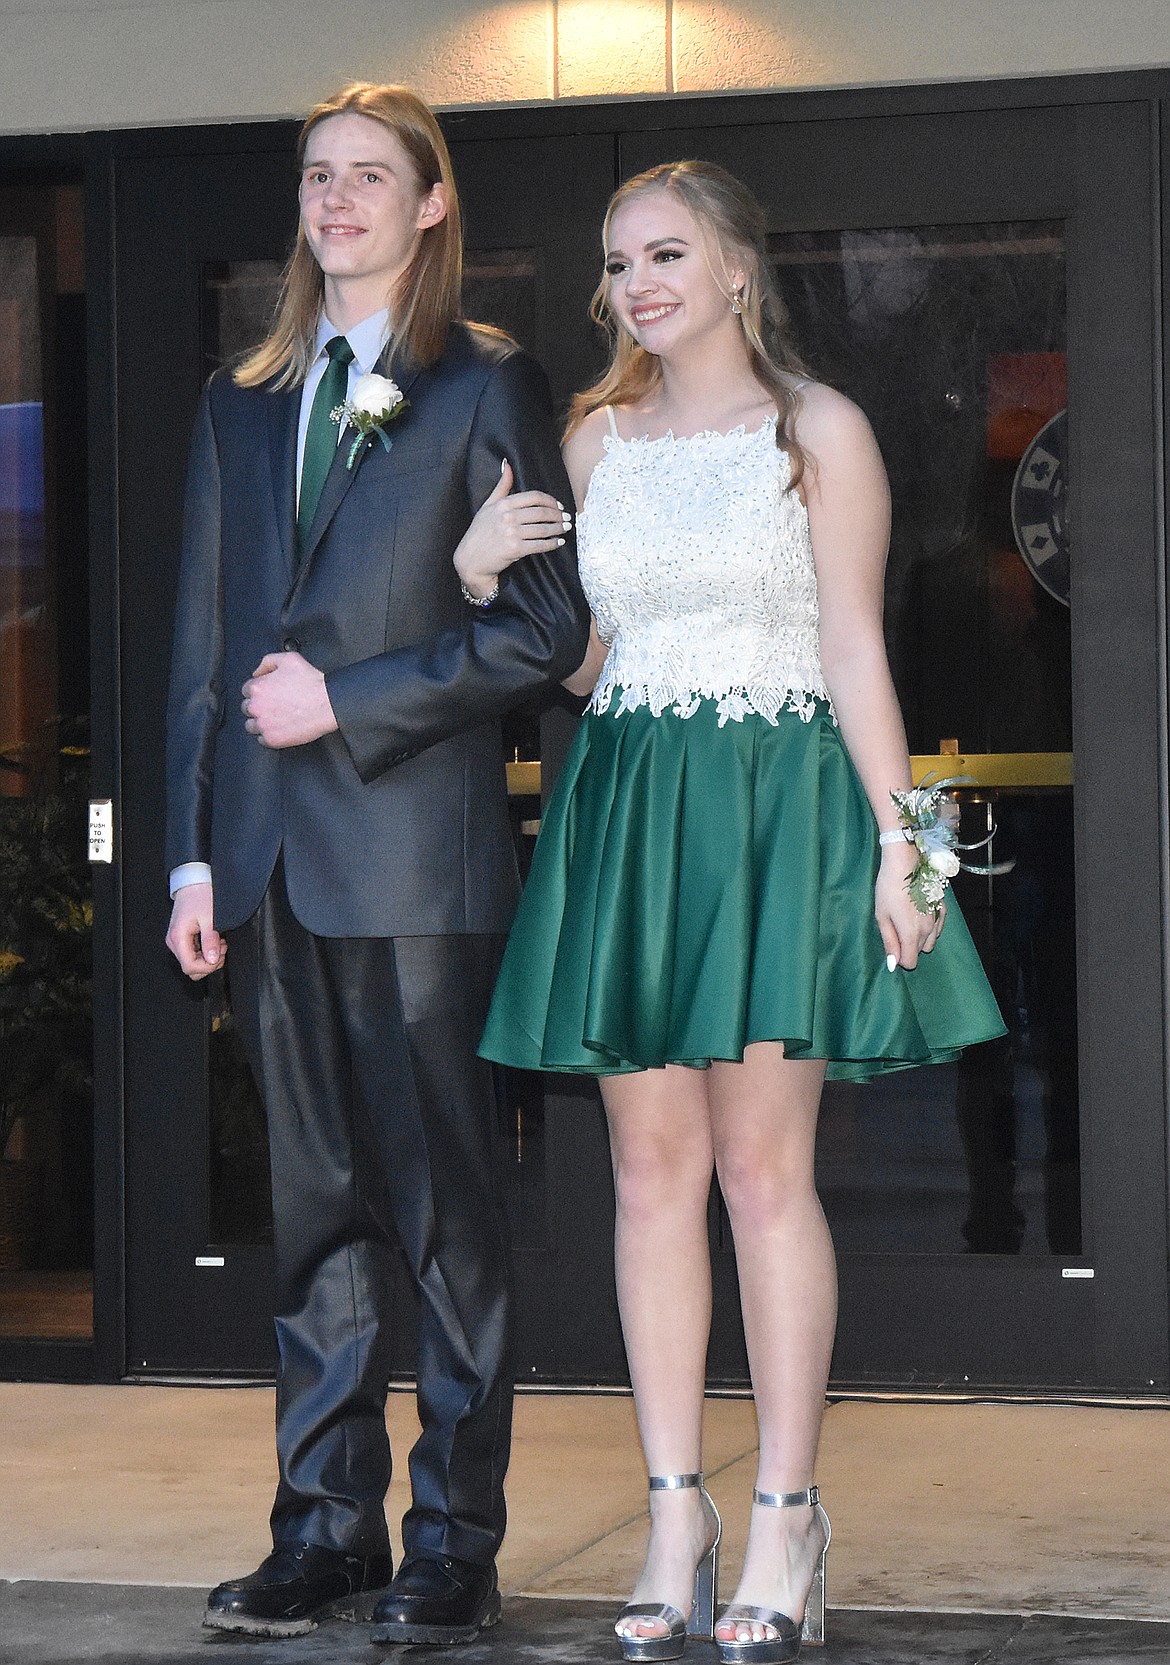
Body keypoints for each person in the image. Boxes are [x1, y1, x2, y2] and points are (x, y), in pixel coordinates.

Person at [467, 161, 1005, 1663]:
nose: (636, 281)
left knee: (764, 1174)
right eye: (617, 260)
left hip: (776, 809)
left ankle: (782, 1512)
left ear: (732, 270)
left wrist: (906, 843)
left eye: (664, 253)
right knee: (649, 1174)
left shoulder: (816, 429)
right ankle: (670, 1513)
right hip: (634, 804)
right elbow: (580, 662)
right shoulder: (587, 437)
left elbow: (851, 644)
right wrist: (480, 582)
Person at [164, 82, 589, 1645]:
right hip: (269, 868)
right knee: (314, 1216)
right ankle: (325, 1528)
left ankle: (452, 1542)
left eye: (368, 176)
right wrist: (193, 863)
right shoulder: (240, 394)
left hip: (418, 863)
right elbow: (208, 652)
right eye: (315, 175)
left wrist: (348, 695)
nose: (334, 197)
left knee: (447, 1222)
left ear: (428, 205)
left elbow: (544, 632)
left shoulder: (485, 383)